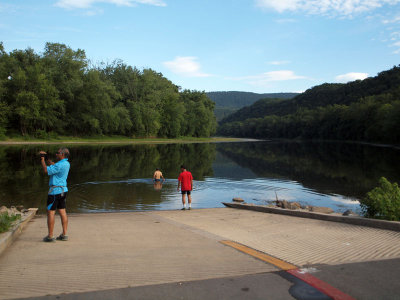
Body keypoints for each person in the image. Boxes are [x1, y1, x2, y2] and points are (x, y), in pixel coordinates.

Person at [39, 148, 70, 242]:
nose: (56, 154)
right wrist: (47, 158)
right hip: (63, 191)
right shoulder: (66, 163)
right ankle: (64, 234)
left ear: (63, 154)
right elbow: (53, 165)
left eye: (58, 153)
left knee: (51, 213)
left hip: (54, 192)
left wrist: (42, 160)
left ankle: (50, 236)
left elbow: (46, 170)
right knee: (62, 211)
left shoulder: (60, 165)